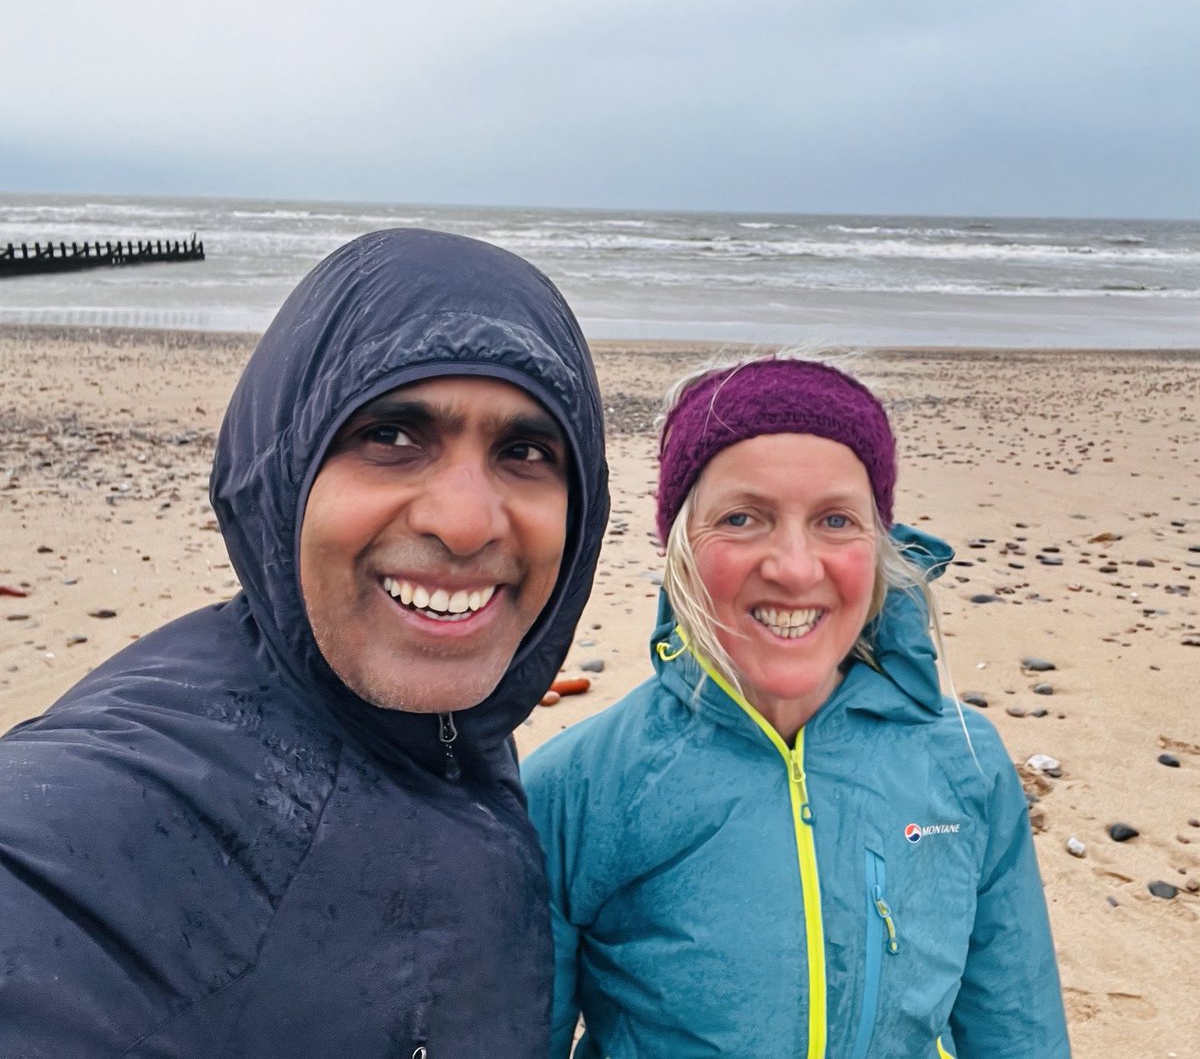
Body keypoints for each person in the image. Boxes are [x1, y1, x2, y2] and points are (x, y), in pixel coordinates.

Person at [0, 229, 609, 1057]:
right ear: (282, 472)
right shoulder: (123, 805)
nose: (466, 522)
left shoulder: (455, 742)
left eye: (526, 451)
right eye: (391, 436)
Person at [523, 354, 1070, 1058]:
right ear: (681, 546)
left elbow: (1017, 1030)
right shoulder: (577, 789)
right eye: (743, 517)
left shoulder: (966, 764)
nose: (794, 567)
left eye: (836, 520)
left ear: (880, 547)